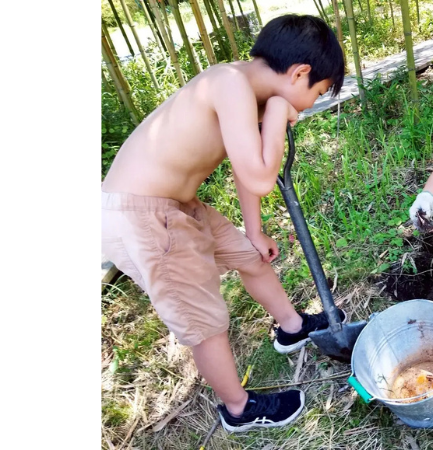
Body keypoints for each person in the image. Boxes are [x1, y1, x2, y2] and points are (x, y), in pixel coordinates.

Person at [101, 15, 346, 433]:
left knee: (251, 258)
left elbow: (243, 167)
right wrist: (277, 115)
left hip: (178, 204)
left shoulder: (246, 92)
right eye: (317, 93)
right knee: (204, 322)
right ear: (300, 73)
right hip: (142, 216)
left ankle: (291, 329)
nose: (308, 107)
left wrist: (253, 232)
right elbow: (260, 176)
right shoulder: (229, 84)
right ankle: (238, 409)